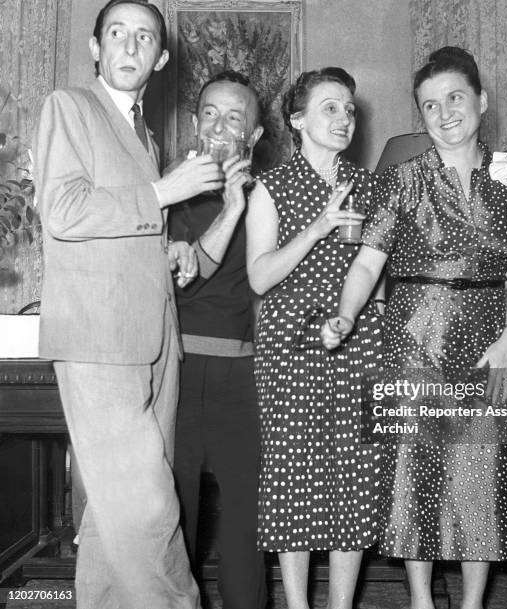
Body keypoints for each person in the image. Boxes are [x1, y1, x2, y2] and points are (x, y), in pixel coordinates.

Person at [321, 47, 507, 609]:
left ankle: (470, 604)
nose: (444, 114)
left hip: (489, 339)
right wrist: (346, 312)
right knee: (416, 473)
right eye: (430, 105)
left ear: (483, 102)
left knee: (479, 474)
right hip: (413, 334)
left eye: (455, 98)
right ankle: (420, 600)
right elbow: (368, 261)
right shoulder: (401, 179)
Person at [33, 1, 225, 607]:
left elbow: (122, 225)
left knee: (113, 519)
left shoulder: (142, 132)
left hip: (154, 340)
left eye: (145, 37)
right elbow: (64, 212)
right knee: (149, 510)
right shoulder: (70, 107)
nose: (131, 45)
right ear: (96, 48)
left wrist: (170, 250)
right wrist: (165, 191)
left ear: (161, 59)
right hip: (99, 340)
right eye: (118, 33)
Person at [246, 67, 382, 609]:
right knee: (291, 475)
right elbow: (260, 276)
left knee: (355, 477)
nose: (344, 118)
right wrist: (318, 227)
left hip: (358, 340)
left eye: (349, 109)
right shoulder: (272, 188)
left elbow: (378, 275)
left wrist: (358, 322)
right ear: (297, 119)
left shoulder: (370, 186)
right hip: (290, 344)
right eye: (330, 107)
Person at [169, 70, 267, 609]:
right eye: (210, 113)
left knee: (247, 517)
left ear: (253, 135)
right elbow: (181, 274)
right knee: (174, 512)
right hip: (176, 372)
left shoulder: (272, 196)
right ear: (194, 122)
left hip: (243, 375)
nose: (220, 126)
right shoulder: (168, 188)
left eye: (235, 117)